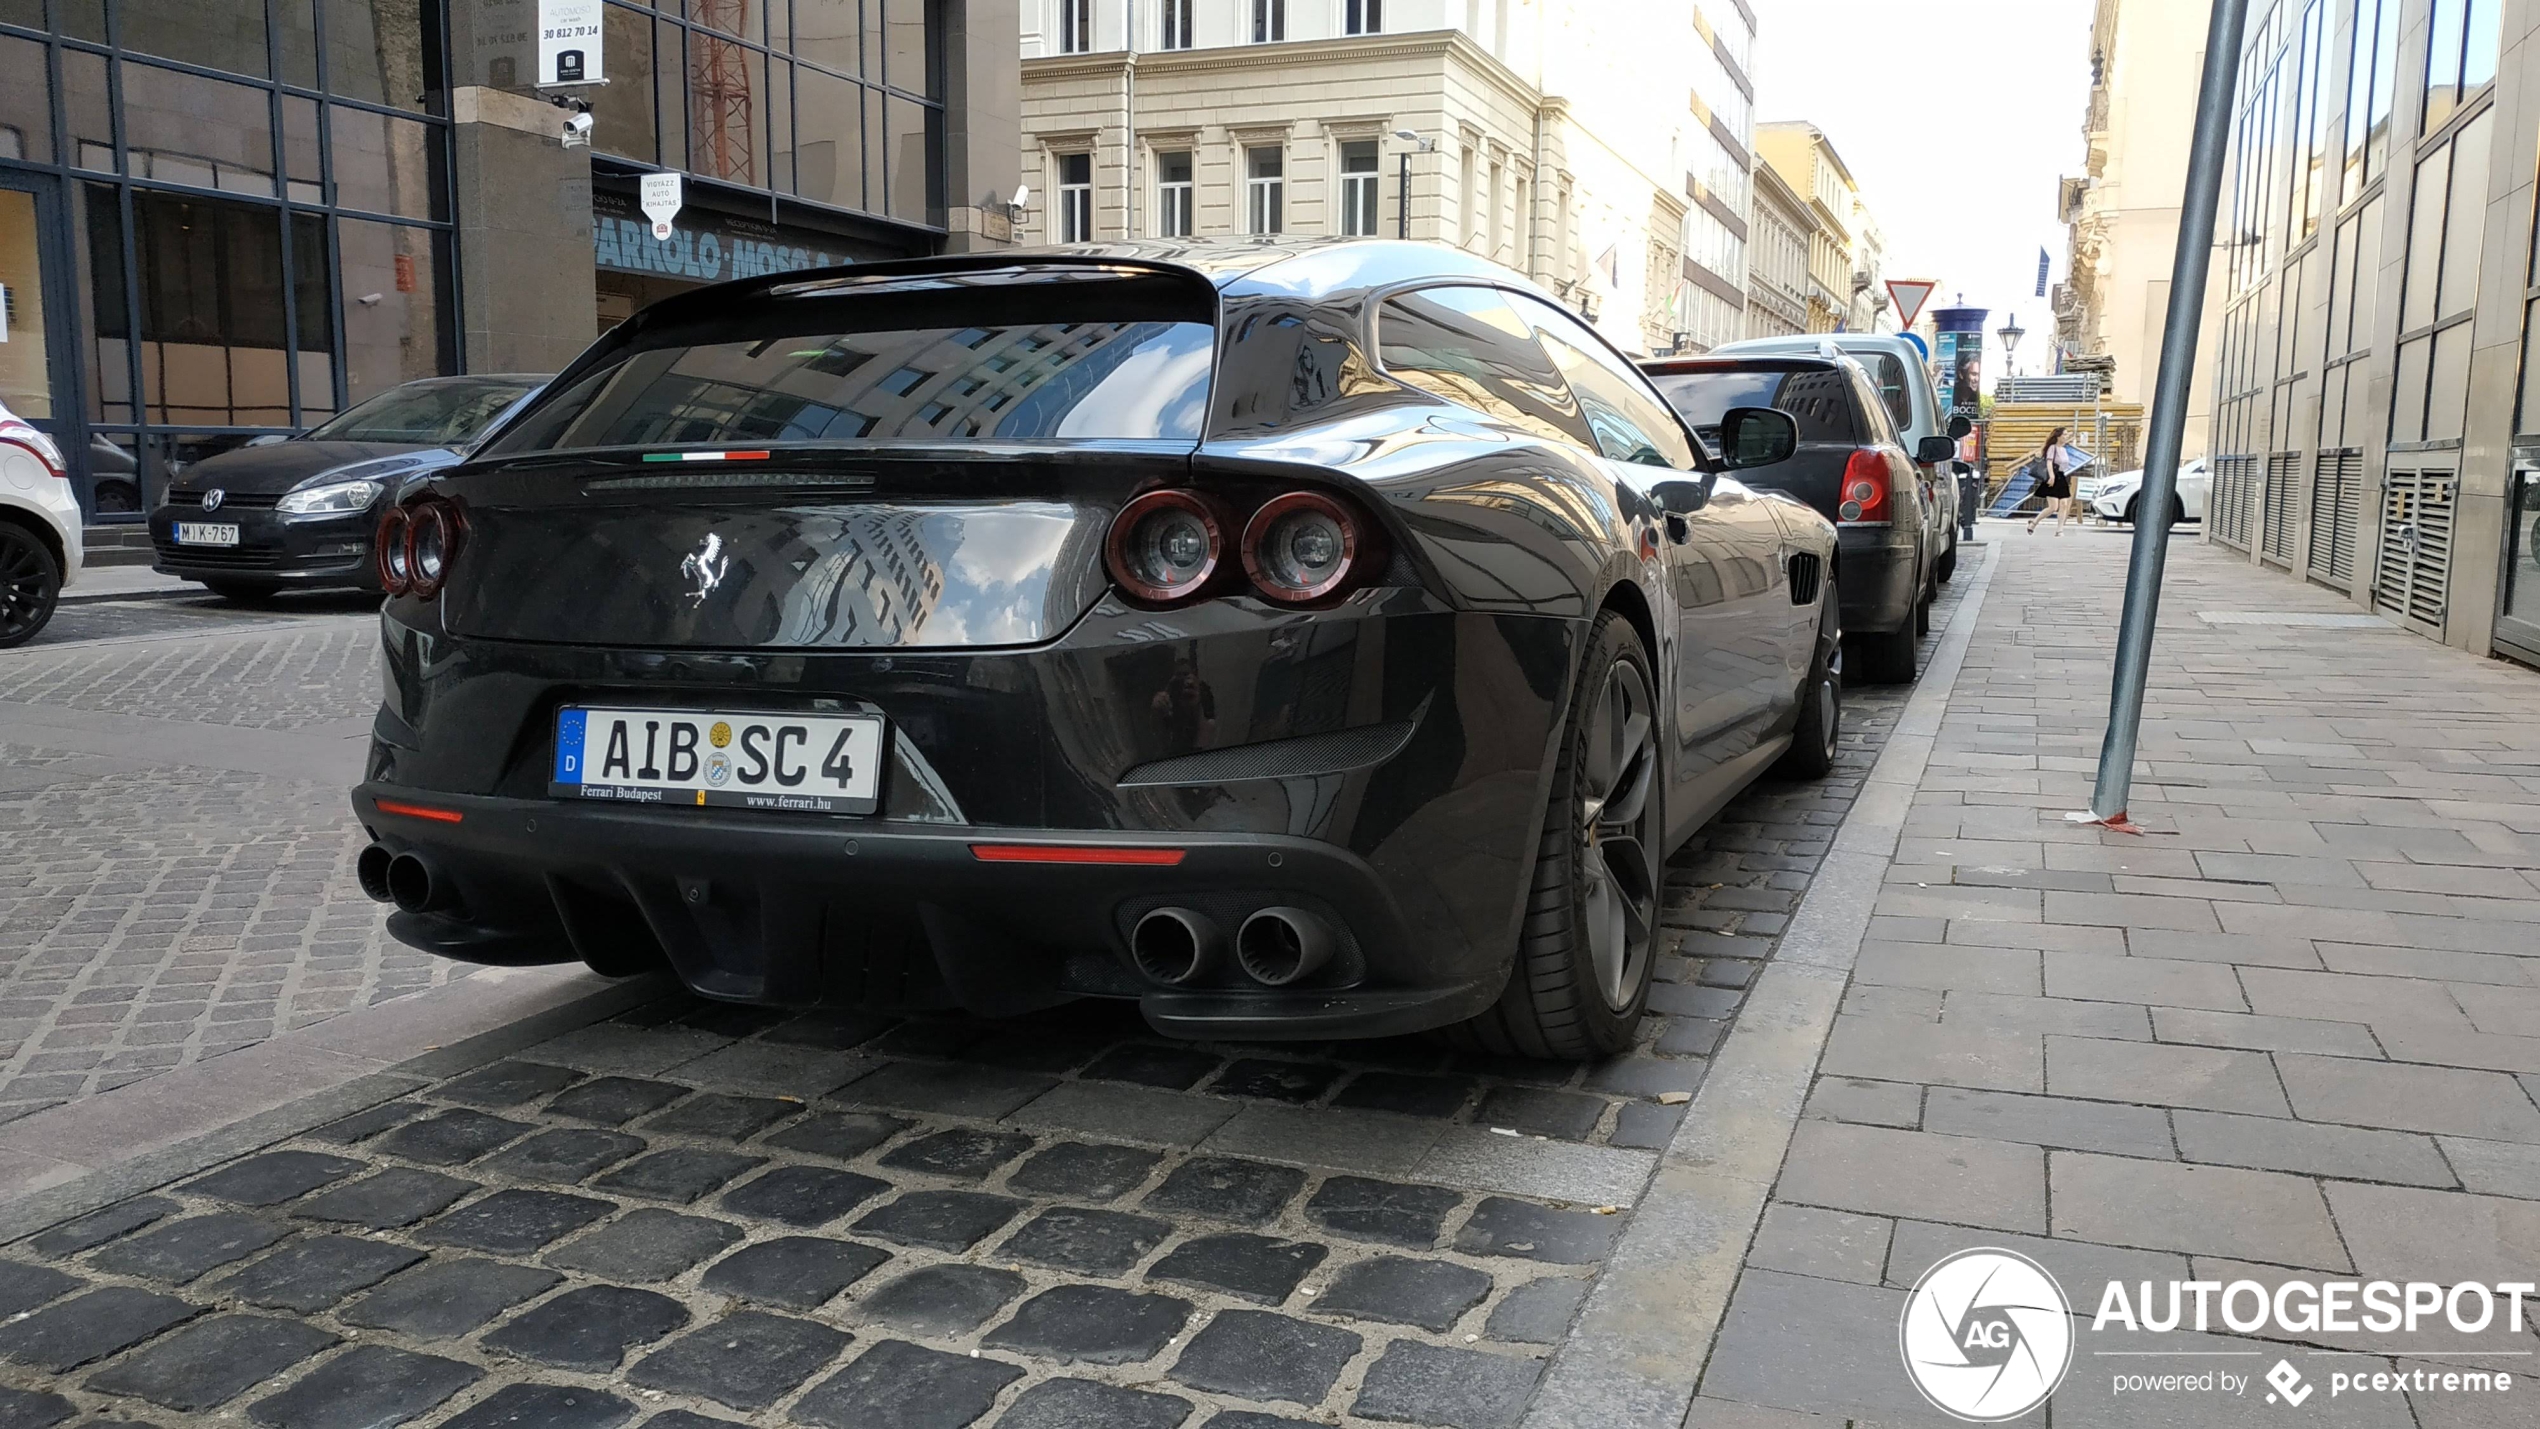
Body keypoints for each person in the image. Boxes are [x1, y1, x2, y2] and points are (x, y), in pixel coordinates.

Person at [2027, 426, 2077, 535]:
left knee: (2063, 503)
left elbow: (2066, 442)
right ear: (2058, 436)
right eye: (2064, 434)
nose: (2066, 436)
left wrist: (2071, 435)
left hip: (2062, 476)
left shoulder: (2064, 449)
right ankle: (2034, 523)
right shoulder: (2052, 448)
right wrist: (2051, 476)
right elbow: (2049, 462)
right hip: (2053, 477)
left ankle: (2060, 530)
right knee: (2053, 507)